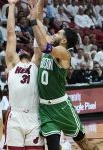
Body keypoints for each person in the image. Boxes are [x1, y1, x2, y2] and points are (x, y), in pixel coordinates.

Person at [28, 0, 99, 150]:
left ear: (64, 40)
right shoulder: (53, 46)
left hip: (62, 108)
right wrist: (38, 5)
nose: (54, 34)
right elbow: (39, 22)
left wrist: (33, 20)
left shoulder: (63, 53)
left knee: (84, 144)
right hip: (45, 108)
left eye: (58, 33)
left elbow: (42, 43)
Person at [5, 0, 44, 149]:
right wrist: (12, 5)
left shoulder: (35, 63)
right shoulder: (13, 64)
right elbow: (10, 34)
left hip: (34, 115)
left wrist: (35, 15)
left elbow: (40, 42)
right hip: (15, 115)